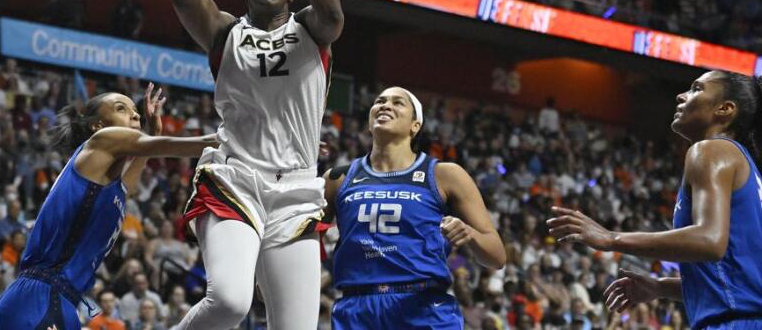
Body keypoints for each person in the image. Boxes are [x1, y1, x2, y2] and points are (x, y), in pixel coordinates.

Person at [170, 0, 344, 330]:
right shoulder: (225, 31)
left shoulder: (311, 29)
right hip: (236, 178)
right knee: (229, 301)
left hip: (297, 192)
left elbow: (333, 10)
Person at [0, 83, 217, 330]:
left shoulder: (106, 184)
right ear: (97, 125)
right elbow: (174, 146)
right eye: (121, 108)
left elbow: (127, 185)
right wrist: (227, 141)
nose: (136, 114)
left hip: (61, 299)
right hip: (38, 296)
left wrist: (151, 133)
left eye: (135, 110)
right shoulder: (101, 140)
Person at [547, 71, 762, 329]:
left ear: (725, 109)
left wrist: (611, 238)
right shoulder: (749, 172)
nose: (681, 95)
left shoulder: (711, 149)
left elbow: (709, 241)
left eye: (696, 88)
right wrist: (660, 287)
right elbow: (738, 282)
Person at [323, 87, 506, 329]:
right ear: (369, 122)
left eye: (398, 103)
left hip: (423, 307)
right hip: (356, 308)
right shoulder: (337, 178)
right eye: (380, 101)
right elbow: (307, 239)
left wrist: (470, 235)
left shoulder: (445, 174)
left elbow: (497, 256)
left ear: (415, 125)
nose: (386, 105)